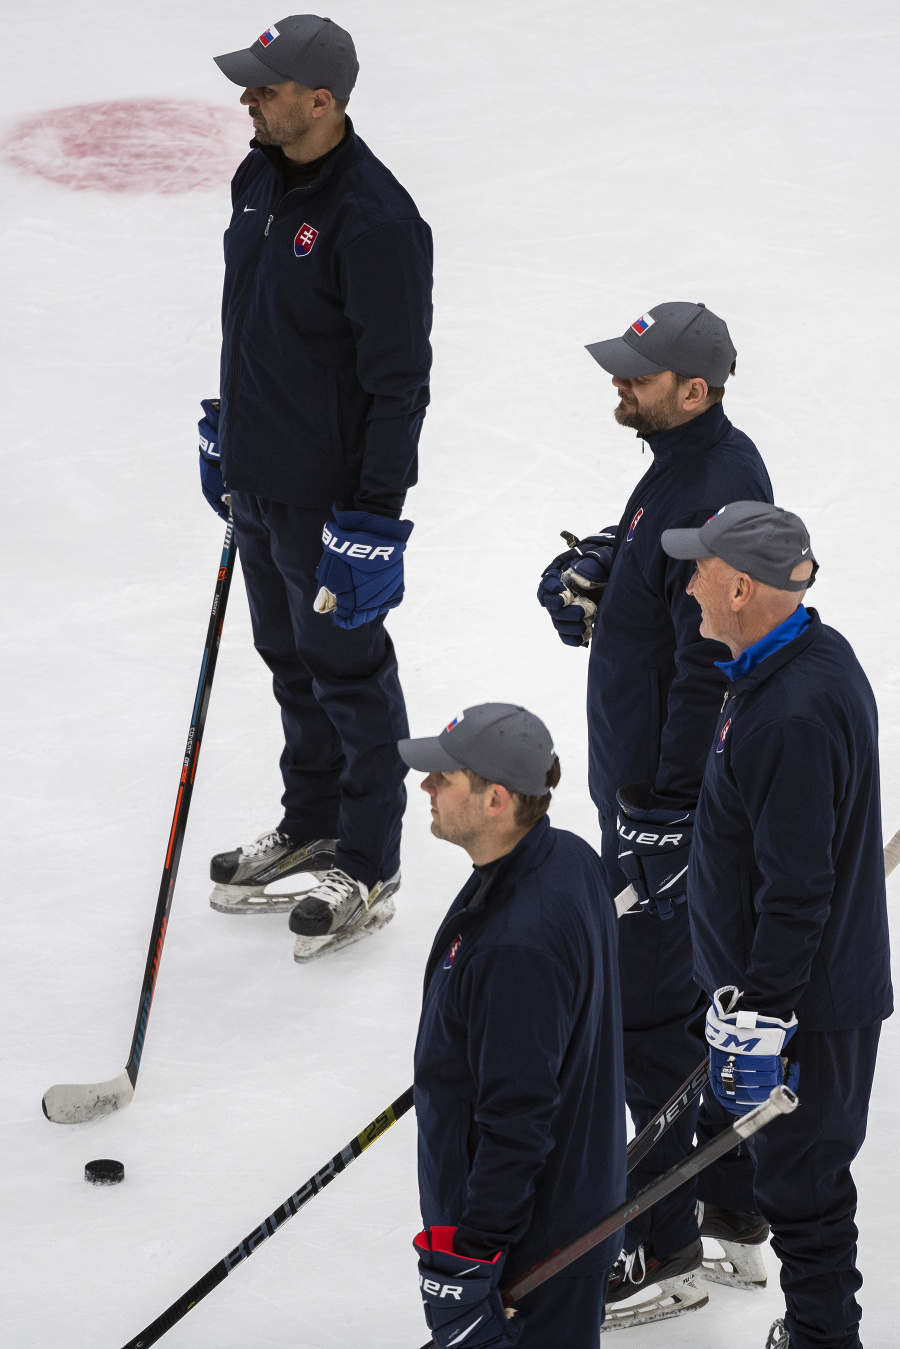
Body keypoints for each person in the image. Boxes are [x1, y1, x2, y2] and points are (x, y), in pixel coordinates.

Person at [536, 302, 774, 1325]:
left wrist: (664, 811)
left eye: (638, 375)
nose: (619, 386)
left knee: (645, 1019)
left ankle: (664, 1242)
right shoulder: (691, 463)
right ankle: (735, 1209)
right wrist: (605, 563)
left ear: (696, 386)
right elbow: (671, 578)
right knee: (684, 1004)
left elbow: (707, 664)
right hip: (651, 795)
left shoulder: (714, 476)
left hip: (662, 807)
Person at [200, 15, 433, 961]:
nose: (245, 97)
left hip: (327, 503)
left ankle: (368, 859)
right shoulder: (258, 176)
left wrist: (373, 521)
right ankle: (315, 818)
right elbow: (248, 316)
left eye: (263, 85)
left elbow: (397, 383)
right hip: (260, 474)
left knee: (348, 674)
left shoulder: (376, 221)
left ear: (321, 101)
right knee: (285, 657)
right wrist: (230, 423)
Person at [660, 501, 892, 1349]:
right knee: (793, 1172)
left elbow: (799, 887)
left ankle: (826, 1337)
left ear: (744, 585)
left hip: (805, 1004)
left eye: (702, 571)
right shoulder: (789, 662)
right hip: (781, 988)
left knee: (803, 1184)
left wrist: (762, 1011)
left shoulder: (789, 709)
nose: (690, 586)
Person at [401, 704, 625, 1348]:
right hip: (571, 1205)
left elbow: (516, 1121)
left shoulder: (514, 946)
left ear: (495, 799)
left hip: (530, 1245)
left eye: (445, 778)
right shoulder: (568, 859)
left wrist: (472, 1258)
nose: (427, 787)